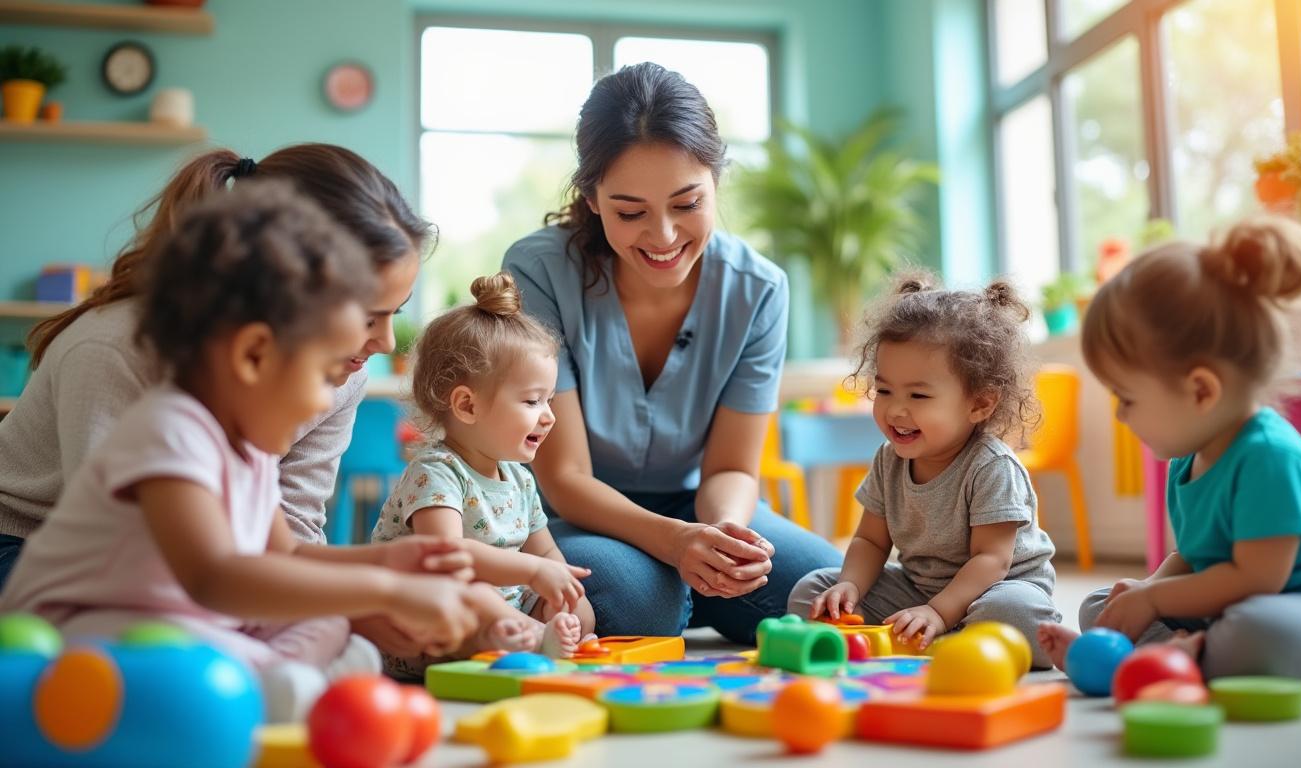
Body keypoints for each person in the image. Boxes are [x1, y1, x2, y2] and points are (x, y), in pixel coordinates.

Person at [0, 183, 494, 720]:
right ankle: (263, 684)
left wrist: (386, 562)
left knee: (331, 624)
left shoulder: (252, 446)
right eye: (324, 375)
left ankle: (271, 684)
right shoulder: (170, 429)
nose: (321, 401)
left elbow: (287, 557)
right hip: (77, 630)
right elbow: (214, 577)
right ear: (255, 354)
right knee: (197, 646)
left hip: (180, 615)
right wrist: (387, 593)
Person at [503, 62, 841, 644]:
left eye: (687, 204)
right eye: (630, 212)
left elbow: (732, 469)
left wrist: (725, 537)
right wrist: (672, 543)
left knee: (831, 590)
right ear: (591, 198)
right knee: (636, 605)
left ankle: (687, 590)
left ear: (716, 180)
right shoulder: (539, 271)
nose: (662, 237)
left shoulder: (758, 290)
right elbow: (563, 476)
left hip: (696, 505)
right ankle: (675, 593)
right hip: (569, 517)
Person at [1037, 216, 1301, 693]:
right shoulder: (1191, 456)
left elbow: (1257, 577)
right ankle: (1182, 654)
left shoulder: (1269, 457)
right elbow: (1194, 555)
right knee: (1103, 603)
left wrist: (1157, 599)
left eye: (1128, 399)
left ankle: (1177, 656)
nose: (1121, 417)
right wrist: (1147, 590)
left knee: (1261, 633)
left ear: (1200, 390)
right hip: (1239, 600)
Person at [788, 274, 1060, 667]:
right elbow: (870, 542)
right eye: (884, 391)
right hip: (917, 590)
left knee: (1014, 614)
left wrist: (940, 611)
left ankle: (951, 638)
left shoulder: (992, 466)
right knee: (812, 590)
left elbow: (992, 560)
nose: (896, 410)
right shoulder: (889, 459)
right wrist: (850, 585)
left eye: (918, 395)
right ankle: (943, 643)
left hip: (994, 589)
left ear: (979, 404)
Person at [371, 272, 596, 678]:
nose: (549, 416)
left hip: (503, 611)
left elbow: (544, 553)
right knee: (474, 595)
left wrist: (559, 585)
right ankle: (530, 639)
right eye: (532, 401)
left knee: (579, 608)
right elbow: (446, 557)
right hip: (426, 623)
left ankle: (535, 638)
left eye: (548, 399)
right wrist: (531, 572)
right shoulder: (435, 473)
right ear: (467, 406)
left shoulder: (519, 478)